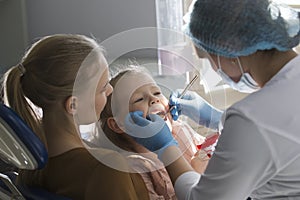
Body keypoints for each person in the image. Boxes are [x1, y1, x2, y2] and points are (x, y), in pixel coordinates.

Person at [124, 0, 300, 199]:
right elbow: (279, 132)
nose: (215, 69)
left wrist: (166, 149)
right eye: (139, 98)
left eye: (209, 59)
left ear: (231, 52)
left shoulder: (252, 120)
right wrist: (217, 119)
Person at [1, 34, 150, 200]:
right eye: (102, 89)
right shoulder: (107, 168)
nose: (110, 90)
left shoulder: (29, 167)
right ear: (72, 105)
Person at [90, 66, 214, 198]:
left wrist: (218, 123)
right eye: (139, 99)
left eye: (156, 93)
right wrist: (200, 176)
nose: (154, 99)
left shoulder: (180, 130)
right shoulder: (134, 169)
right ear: (118, 124)